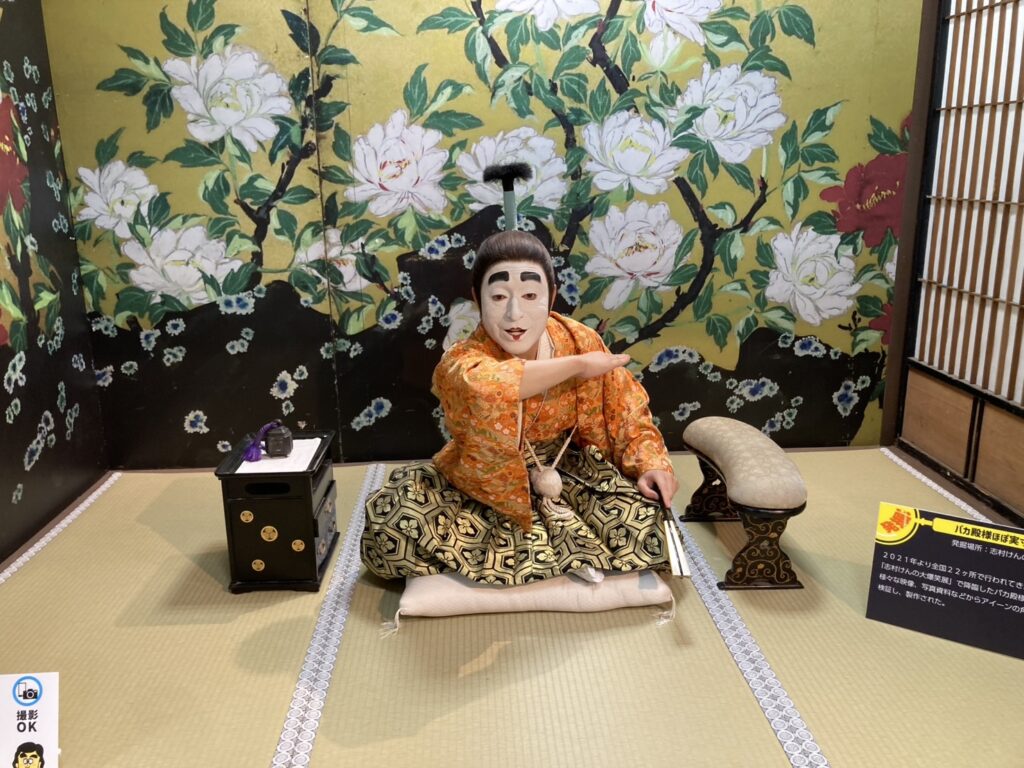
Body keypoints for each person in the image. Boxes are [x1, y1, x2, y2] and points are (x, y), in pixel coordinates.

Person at [361, 230, 678, 586]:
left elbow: (626, 409)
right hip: (485, 488)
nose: (515, 314)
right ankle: (562, 558)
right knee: (391, 523)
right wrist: (577, 367)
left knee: (653, 523)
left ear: (551, 296)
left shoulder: (578, 340)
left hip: (569, 472)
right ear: (477, 298)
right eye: (498, 296)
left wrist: (651, 464)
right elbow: (485, 387)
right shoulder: (463, 358)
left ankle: (545, 560)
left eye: (530, 295)